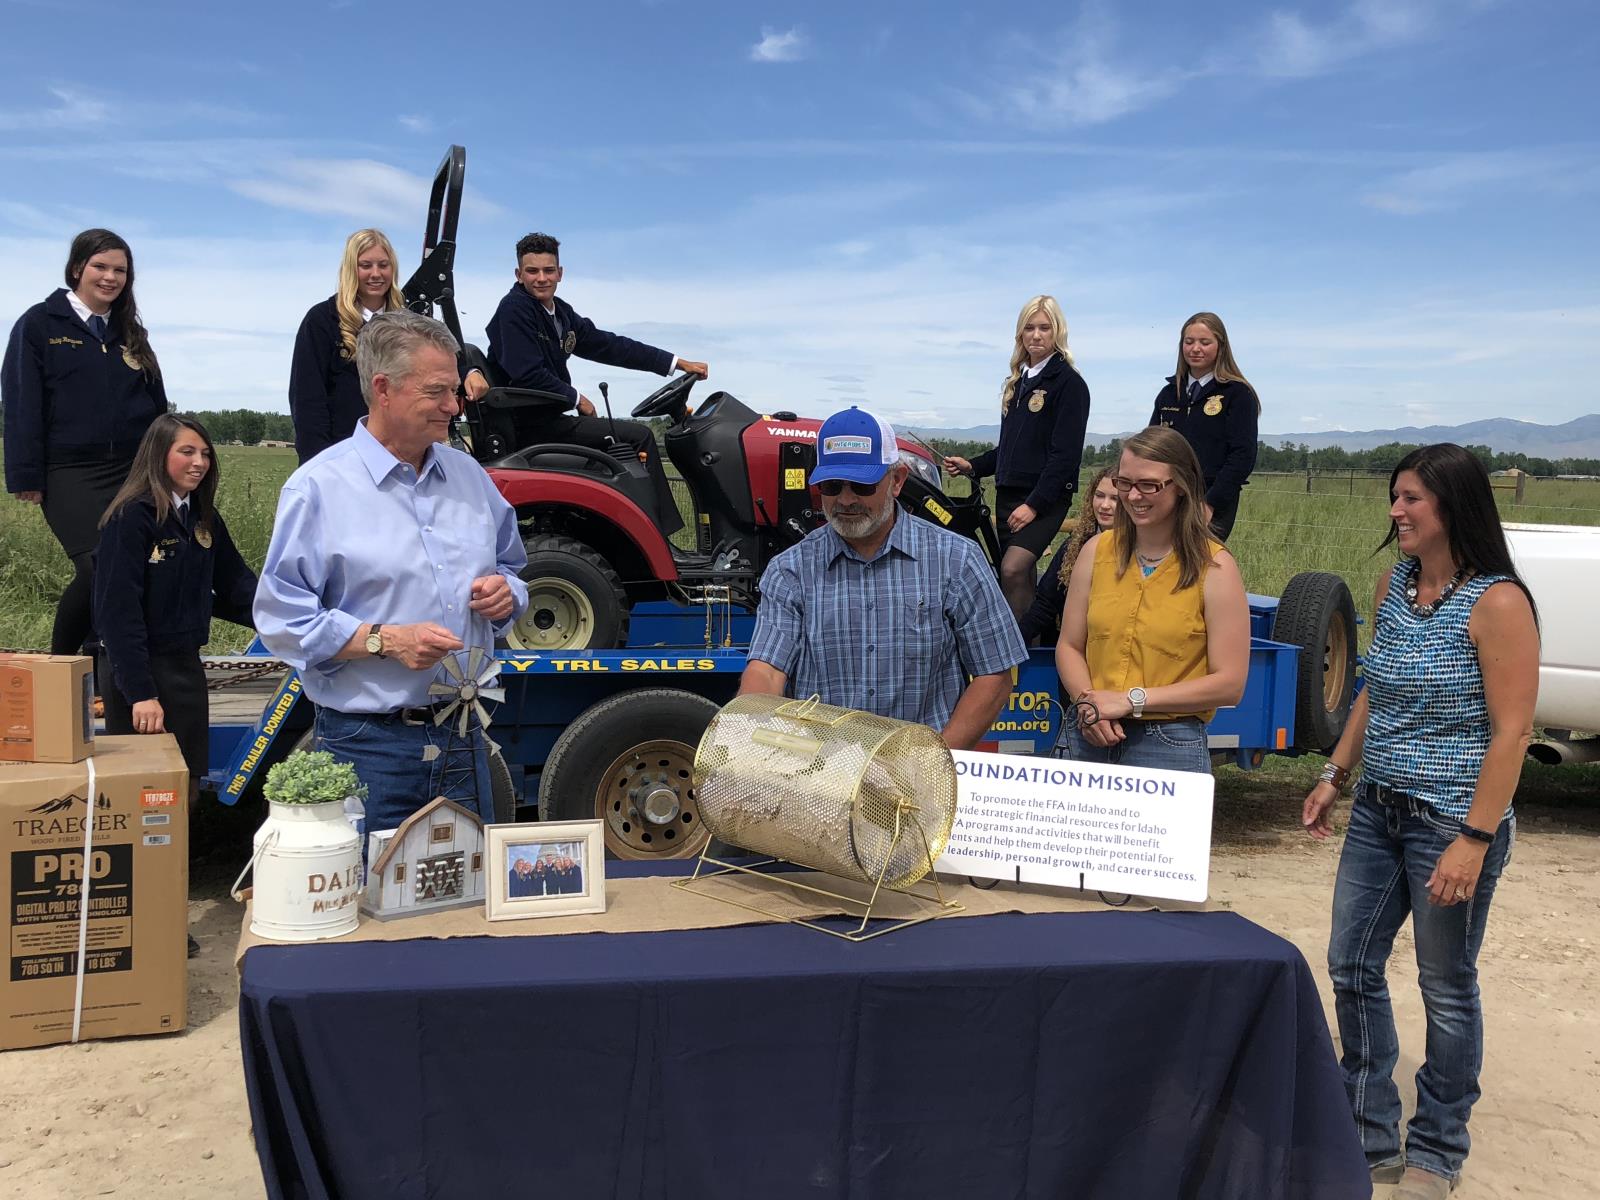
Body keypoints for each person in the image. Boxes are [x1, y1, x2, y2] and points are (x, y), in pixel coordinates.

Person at [1302, 444, 1538, 1200]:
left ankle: (1437, 1146)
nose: (1396, 512)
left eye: (1411, 499)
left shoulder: (1498, 603)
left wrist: (1472, 840)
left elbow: (1512, 733)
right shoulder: (1397, 583)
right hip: (1379, 809)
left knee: (1445, 984)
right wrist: (1335, 773)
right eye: (1394, 497)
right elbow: (1374, 688)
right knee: (1351, 963)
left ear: (1454, 507)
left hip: (1451, 822)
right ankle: (1370, 1132)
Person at [255, 311, 529, 838]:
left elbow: (513, 567)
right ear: (383, 388)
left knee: (470, 905)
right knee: (368, 908)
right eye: (437, 392)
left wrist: (507, 594)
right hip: (367, 747)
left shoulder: (471, 479)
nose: (454, 406)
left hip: (464, 737)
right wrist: (382, 640)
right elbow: (280, 619)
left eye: (454, 390)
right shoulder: (318, 489)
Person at [740, 406, 1026, 749]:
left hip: (921, 779)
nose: (845, 499)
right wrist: (753, 731)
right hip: (825, 776)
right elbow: (767, 671)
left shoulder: (956, 559)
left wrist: (931, 764)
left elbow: (995, 674)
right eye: (832, 486)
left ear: (897, 481)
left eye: (862, 485)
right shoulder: (791, 570)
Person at [466, 232, 709, 535]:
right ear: (519, 274)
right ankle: (660, 535)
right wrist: (577, 398)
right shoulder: (514, 309)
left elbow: (609, 345)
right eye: (532, 271)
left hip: (548, 419)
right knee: (639, 437)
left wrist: (674, 363)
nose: (541, 278)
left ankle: (631, 530)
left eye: (548, 270)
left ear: (560, 273)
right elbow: (525, 373)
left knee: (625, 439)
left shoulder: (561, 313)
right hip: (529, 426)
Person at [4, 229, 168, 656]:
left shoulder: (131, 334)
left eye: (120, 270)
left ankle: (104, 668)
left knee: (135, 569)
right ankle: (61, 665)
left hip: (132, 471)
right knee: (98, 568)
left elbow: (157, 407)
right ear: (78, 268)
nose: (110, 277)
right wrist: (26, 473)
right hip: (69, 472)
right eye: (100, 267)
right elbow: (22, 403)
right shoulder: (40, 325)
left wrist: (165, 465)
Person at [1053, 426, 1250, 773]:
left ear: (1183, 487)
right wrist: (1089, 704)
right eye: (1125, 483)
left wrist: (1130, 701)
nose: (1132, 496)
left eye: (1149, 485)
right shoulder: (1095, 552)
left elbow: (1230, 682)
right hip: (1089, 733)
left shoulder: (1215, 567)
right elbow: (1069, 645)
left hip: (1169, 744)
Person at [942, 296, 1092, 617]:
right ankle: (1025, 658)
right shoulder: (1017, 385)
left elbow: (1064, 458)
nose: (1036, 335)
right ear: (1020, 334)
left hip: (1044, 500)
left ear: (1058, 332)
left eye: (1044, 328)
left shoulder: (1069, 384)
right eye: (1029, 328)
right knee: (1016, 578)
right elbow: (1008, 450)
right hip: (1008, 498)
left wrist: (1034, 505)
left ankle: (1021, 652)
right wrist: (973, 466)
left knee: (1012, 569)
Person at [288, 229, 407, 463]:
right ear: (351, 270)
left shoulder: (408, 323)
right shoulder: (322, 321)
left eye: (383, 265)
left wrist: (469, 372)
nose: (376, 274)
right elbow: (308, 400)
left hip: (399, 455)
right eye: (366, 265)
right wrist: (319, 463)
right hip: (343, 455)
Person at [1148, 312, 1258, 540]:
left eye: (1204, 342)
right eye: (1189, 342)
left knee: (1197, 566)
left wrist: (1210, 503)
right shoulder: (1168, 394)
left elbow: (1242, 455)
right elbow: (1151, 448)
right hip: (1167, 495)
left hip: (1212, 498)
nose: (1195, 348)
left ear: (1221, 346)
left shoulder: (1237, 394)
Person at [1017, 466, 1118, 646]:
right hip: (1073, 648)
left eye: (1115, 499)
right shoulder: (1075, 545)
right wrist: (1014, 639)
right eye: (1100, 495)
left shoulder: (1143, 551)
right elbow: (1046, 602)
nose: (1104, 505)